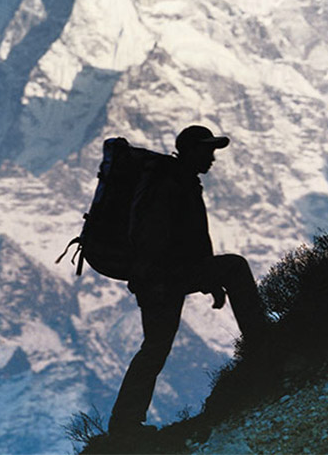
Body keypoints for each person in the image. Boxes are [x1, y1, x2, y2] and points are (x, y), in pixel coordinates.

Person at [108, 125, 268, 437]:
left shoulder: (178, 180)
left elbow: (190, 239)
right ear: (189, 150)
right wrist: (193, 275)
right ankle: (264, 349)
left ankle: (123, 425)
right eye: (206, 150)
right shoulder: (170, 183)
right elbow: (158, 238)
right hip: (162, 279)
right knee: (234, 266)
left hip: (161, 279)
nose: (212, 158)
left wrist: (207, 277)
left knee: (154, 348)